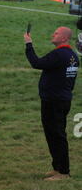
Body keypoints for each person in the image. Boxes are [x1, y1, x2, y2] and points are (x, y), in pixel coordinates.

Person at [24, 27, 79, 180]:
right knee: (54, 134)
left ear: (64, 38)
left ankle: (63, 172)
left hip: (54, 101)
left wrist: (29, 44)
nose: (52, 34)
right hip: (62, 99)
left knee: (56, 135)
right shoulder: (72, 56)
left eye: (56, 33)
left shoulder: (59, 54)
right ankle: (58, 168)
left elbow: (36, 63)